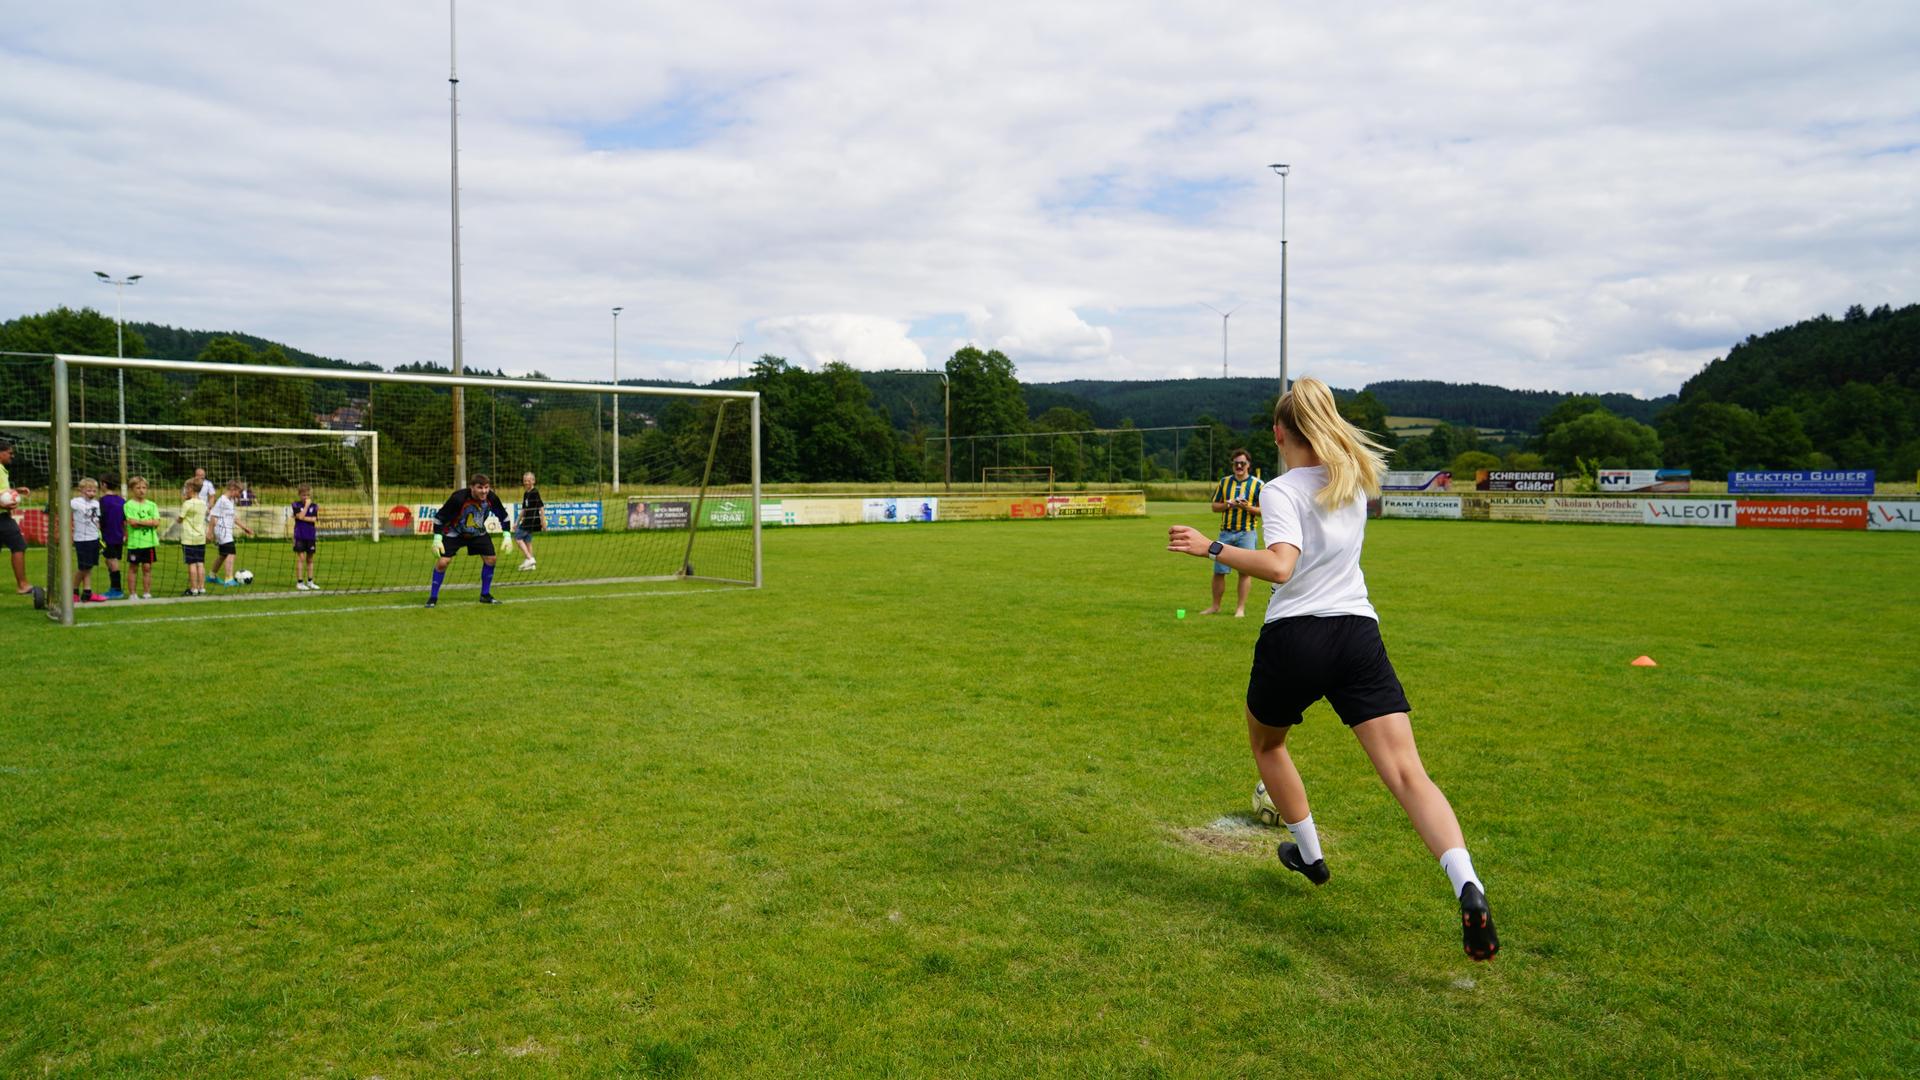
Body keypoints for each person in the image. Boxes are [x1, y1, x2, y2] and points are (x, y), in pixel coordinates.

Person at [1166, 377, 1498, 962]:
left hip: (1296, 635)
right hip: (1357, 634)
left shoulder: (1280, 489)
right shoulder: (1353, 480)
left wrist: (1210, 547)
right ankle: (1466, 882)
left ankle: (1311, 856)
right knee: (1407, 773)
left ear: (1277, 434)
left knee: (1269, 746)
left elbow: (1280, 568)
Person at [425, 472, 512, 607]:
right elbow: (439, 517)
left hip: (477, 532)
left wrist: (507, 535)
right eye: (480, 487)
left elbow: (504, 516)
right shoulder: (458, 498)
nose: (484, 491)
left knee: (491, 559)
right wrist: (437, 537)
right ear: (472, 487)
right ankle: (433, 597)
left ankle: (485, 595)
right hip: (455, 532)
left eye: (486, 487)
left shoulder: (491, 498)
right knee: (443, 562)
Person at [1200, 449, 1263, 617]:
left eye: (1243, 463)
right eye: (1236, 463)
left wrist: (1246, 507)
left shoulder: (1258, 484)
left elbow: (1265, 510)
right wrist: (1229, 504)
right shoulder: (1224, 482)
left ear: (1249, 465)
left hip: (1247, 533)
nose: (1239, 466)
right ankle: (1215, 606)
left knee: (1245, 572)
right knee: (1219, 571)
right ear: (1232, 465)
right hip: (1226, 533)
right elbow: (1214, 506)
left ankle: (1240, 609)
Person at [0, 440, 33, 596]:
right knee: (19, 546)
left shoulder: (2, 469)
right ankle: (23, 585)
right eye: (9, 452)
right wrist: (2, 505)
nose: (12, 456)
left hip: (3, 516)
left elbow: (2, 492)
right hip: (2, 517)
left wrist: (15, 491)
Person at [208, 479, 254, 586]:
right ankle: (229, 579)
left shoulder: (230, 501)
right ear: (233, 489)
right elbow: (213, 516)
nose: (239, 495)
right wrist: (210, 532)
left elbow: (233, 517)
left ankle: (212, 576)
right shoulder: (222, 500)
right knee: (231, 553)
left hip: (226, 530)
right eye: (239, 492)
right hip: (222, 530)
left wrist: (245, 528)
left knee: (223, 554)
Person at [69, 477, 106, 603]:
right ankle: (73, 591)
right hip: (81, 539)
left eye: (94, 491)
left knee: (89, 567)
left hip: (94, 538)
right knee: (83, 567)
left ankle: (87, 592)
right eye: (88, 490)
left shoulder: (96, 503)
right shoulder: (75, 502)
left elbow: (97, 521)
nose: (92, 493)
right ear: (81, 490)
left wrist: (100, 536)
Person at [124, 476, 160, 599]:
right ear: (132, 489)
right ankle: (133, 594)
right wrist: (148, 522)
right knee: (133, 567)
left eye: (144, 487)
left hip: (149, 543)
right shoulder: (129, 505)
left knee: (147, 567)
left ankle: (146, 592)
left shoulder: (152, 505)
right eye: (138, 487)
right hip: (135, 543)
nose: (141, 490)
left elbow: (156, 523)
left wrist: (140, 522)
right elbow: (132, 523)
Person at [99, 471, 127, 599]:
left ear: (103, 484)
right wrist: (125, 534)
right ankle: (113, 587)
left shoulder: (102, 501)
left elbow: (100, 519)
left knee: (112, 561)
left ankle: (117, 589)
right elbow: (125, 520)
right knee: (109, 560)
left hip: (107, 536)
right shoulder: (122, 501)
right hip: (119, 535)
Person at [179, 478, 208, 596]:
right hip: (201, 537)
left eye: (186, 488)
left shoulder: (187, 504)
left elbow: (180, 518)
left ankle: (193, 588)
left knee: (191, 563)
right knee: (200, 563)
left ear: (191, 488)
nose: (185, 491)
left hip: (188, 538)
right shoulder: (203, 503)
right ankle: (202, 588)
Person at [513, 471, 545, 571]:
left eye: (529, 480)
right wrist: (516, 522)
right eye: (525, 481)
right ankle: (531, 565)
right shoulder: (526, 493)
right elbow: (524, 509)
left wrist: (543, 522)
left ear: (533, 481)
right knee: (527, 542)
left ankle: (530, 559)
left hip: (531, 521)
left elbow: (541, 507)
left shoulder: (535, 492)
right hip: (527, 520)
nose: (526, 482)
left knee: (518, 538)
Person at [291, 484, 320, 590]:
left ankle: (310, 581)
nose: (306, 497)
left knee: (310, 559)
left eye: (308, 495)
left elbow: (313, 519)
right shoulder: (295, 504)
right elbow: (301, 516)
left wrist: (300, 517)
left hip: (310, 535)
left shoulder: (315, 506)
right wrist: (306, 507)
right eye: (303, 495)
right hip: (299, 535)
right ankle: (299, 582)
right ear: (299, 495)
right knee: (301, 558)